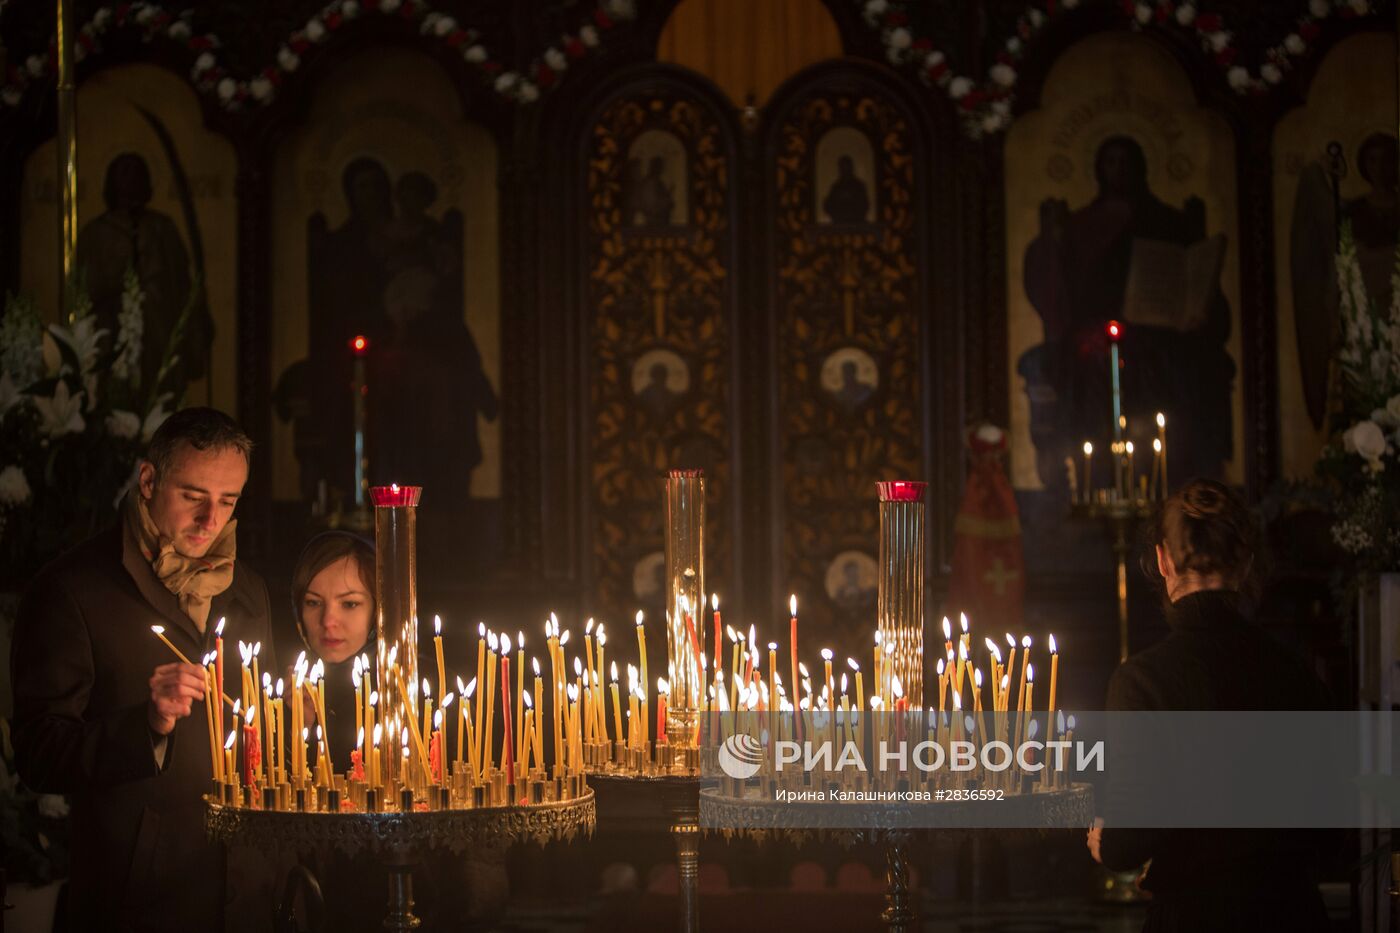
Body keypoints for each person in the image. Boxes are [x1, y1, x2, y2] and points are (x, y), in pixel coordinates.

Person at [11, 407, 275, 932]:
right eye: (194, 496)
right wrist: (146, 726)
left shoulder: (245, 589)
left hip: (248, 890)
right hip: (139, 900)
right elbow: (38, 755)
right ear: (148, 480)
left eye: (228, 501)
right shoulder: (71, 590)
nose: (211, 521)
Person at [1086, 479, 1331, 932]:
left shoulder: (1142, 681)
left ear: (1162, 560)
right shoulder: (1296, 671)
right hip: (1292, 914)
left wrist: (1106, 841)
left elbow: (1126, 844)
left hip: (1193, 918)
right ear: (1246, 563)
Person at [290, 531, 376, 772]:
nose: (328, 621)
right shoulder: (280, 696)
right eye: (313, 602)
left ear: (378, 611)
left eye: (349, 604)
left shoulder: (416, 692)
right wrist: (299, 729)